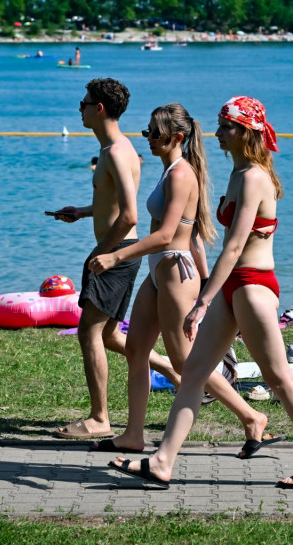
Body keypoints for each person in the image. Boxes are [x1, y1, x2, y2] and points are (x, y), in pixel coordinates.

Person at [108, 96, 293, 490]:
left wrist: (202, 300)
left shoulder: (253, 178)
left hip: (252, 286)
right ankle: (162, 463)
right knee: (194, 373)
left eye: (227, 127)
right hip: (235, 287)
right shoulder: (240, 172)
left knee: (279, 378)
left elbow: (234, 246)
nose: (218, 133)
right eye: (219, 125)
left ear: (246, 132)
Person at [89, 103, 273, 456]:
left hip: (174, 271)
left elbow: (166, 235)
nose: (148, 139)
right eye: (146, 132)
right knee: (136, 350)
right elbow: (192, 236)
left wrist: (115, 256)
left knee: (184, 362)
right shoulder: (168, 169)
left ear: (176, 137)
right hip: (160, 270)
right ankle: (133, 435)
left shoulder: (180, 174)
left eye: (154, 134)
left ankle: (251, 417)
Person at [50, 78, 179, 440]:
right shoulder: (114, 150)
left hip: (117, 255)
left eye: (85, 102)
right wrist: (83, 211)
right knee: (106, 335)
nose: (80, 107)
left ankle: (99, 418)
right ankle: (168, 367)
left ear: (100, 109)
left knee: (88, 331)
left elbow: (130, 216)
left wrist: (102, 252)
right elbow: (114, 207)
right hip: (118, 254)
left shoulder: (117, 152)